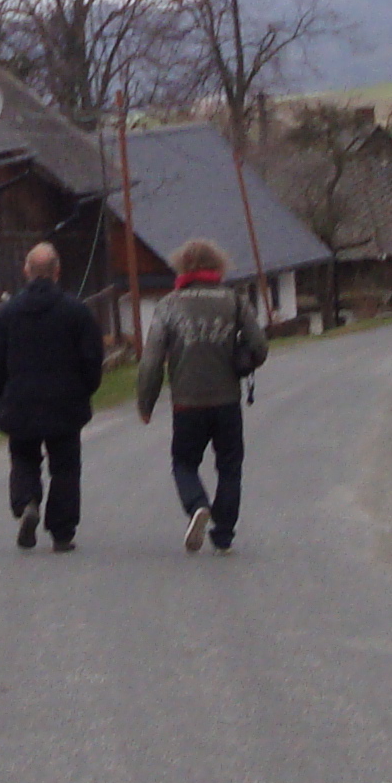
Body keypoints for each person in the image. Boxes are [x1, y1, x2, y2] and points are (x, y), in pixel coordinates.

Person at [135, 236, 266, 553]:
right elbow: (259, 347)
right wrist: (242, 360)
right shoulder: (234, 301)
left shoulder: (168, 305)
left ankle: (197, 504)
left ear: (181, 266)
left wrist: (146, 402)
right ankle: (223, 534)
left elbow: (151, 361)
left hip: (187, 405)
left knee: (184, 462)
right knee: (230, 467)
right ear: (218, 264)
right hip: (227, 402)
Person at [0, 241, 106, 552]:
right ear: (57, 272)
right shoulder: (77, 313)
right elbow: (92, 359)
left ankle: (27, 503)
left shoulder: (5, 314)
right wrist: (84, 390)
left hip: (19, 402)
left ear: (27, 271)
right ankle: (62, 532)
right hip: (65, 404)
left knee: (24, 458)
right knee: (65, 467)